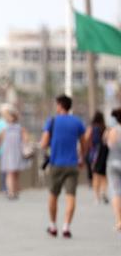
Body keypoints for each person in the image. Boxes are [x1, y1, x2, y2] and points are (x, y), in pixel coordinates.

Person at [39, 94, 87, 238]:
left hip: (56, 164)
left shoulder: (52, 121)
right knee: (71, 196)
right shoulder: (77, 122)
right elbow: (84, 144)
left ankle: (53, 225)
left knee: (53, 195)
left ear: (60, 105)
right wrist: (81, 157)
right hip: (72, 164)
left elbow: (43, 143)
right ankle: (66, 226)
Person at [0, 107, 29, 199]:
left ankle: (14, 191)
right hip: (9, 153)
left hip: (15, 153)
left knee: (15, 173)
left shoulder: (18, 128)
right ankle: (11, 192)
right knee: (11, 173)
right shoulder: (6, 129)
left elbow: (26, 140)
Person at [84, 111, 109, 204]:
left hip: (94, 153)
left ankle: (97, 197)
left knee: (95, 175)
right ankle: (104, 192)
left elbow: (86, 139)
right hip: (104, 153)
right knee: (104, 175)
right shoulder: (105, 128)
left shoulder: (91, 128)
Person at [104, 108, 121, 231]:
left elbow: (108, 144)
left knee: (115, 192)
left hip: (113, 162)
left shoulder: (112, 130)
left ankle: (119, 220)